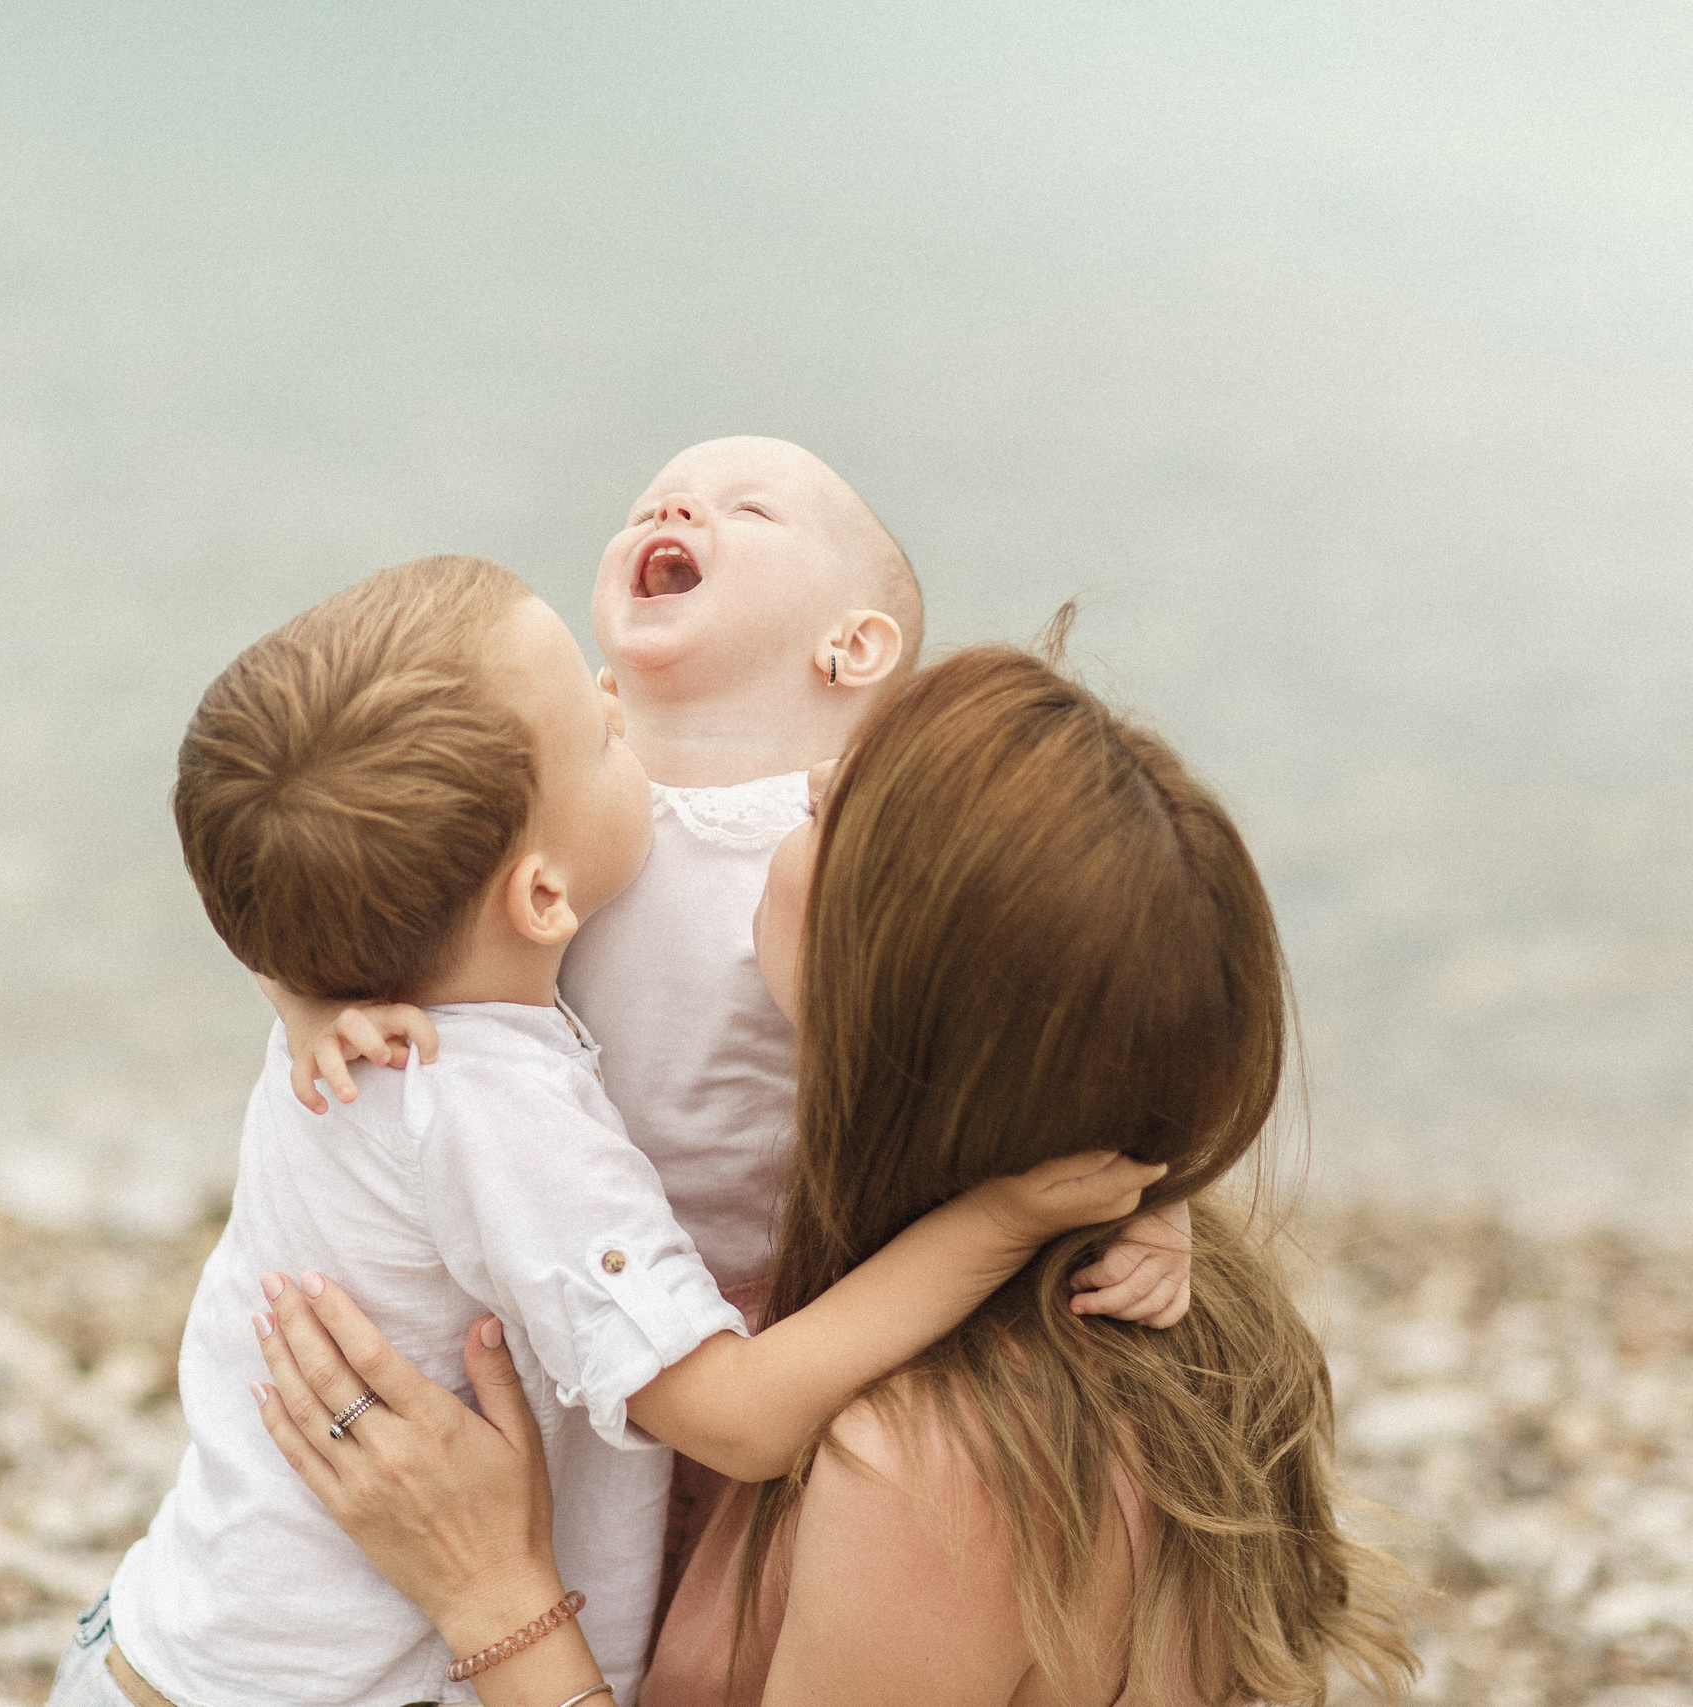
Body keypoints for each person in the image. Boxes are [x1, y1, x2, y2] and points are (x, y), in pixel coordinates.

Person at [63, 559, 1169, 1707]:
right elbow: (736, 1420)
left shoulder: (352, 993)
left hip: (166, 1638)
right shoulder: (499, 1115)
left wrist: (291, 998)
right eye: (599, 738)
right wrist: (1002, 1218)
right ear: (542, 902)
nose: (614, 699)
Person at [254, 632, 1420, 1706]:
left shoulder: (924, 1470)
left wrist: (489, 1595)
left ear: (887, 1009)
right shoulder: (1134, 1244)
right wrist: (309, 987)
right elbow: (362, 850)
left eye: (838, 809)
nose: (802, 784)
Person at [266, 440, 1193, 1612]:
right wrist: (308, 995)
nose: (675, 503)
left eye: (747, 508)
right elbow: (315, 840)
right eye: (654, 499)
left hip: (774, 1308)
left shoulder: (855, 829)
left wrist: (1159, 1200)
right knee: (597, 1567)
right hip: (568, 1275)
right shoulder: (559, 782)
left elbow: (1040, 1014)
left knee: (711, 1599)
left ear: (852, 647)